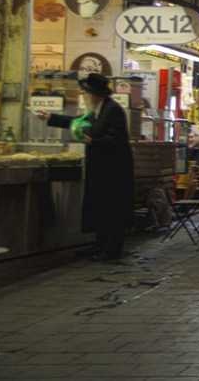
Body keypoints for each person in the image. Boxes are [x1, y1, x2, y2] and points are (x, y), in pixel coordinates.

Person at [36, 73, 134, 261]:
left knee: (112, 209)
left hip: (113, 170)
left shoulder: (112, 110)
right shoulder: (97, 109)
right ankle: (100, 245)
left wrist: (93, 141)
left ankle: (111, 250)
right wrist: (50, 117)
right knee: (100, 207)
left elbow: (116, 139)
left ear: (94, 94)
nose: (83, 95)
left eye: (85, 92)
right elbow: (77, 121)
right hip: (100, 168)